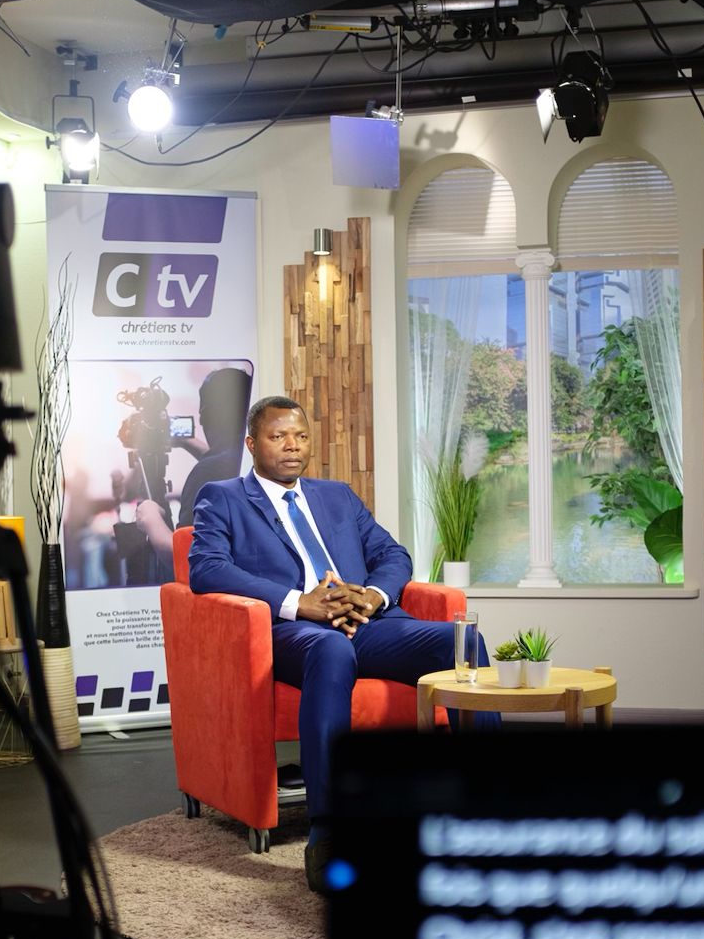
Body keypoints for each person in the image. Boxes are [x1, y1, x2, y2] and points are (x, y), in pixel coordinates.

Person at [189, 395, 498, 893]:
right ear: (251, 444)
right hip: (292, 632)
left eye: (301, 436)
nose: (292, 446)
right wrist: (298, 602)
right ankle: (328, 830)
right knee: (330, 650)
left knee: (462, 641)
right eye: (278, 436)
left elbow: (391, 553)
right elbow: (205, 569)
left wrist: (372, 596)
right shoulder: (222, 497)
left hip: (366, 623)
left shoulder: (337, 495)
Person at [132, 364, 253, 572]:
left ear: (206, 415)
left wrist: (149, 517)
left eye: (202, 413)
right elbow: (227, 460)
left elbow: (185, 559)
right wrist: (188, 441)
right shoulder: (251, 459)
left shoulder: (209, 472)